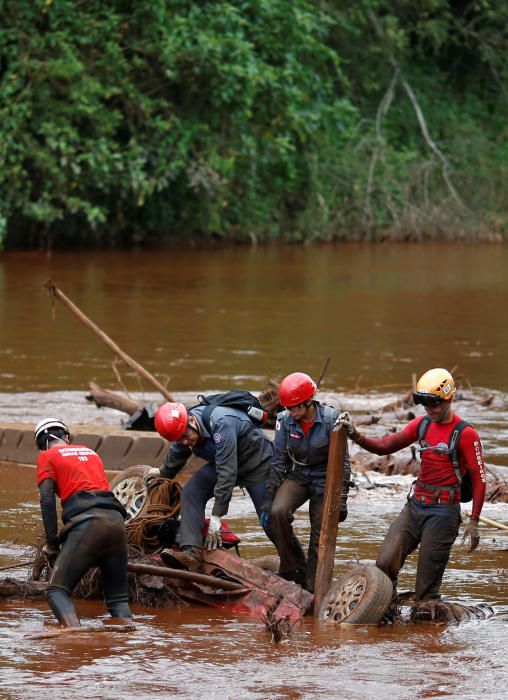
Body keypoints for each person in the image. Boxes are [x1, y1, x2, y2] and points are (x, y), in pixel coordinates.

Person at [338, 367, 487, 601]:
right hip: (415, 506)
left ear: (449, 398)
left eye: (434, 403)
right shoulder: (422, 425)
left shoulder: (466, 434)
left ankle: (426, 625)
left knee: (426, 586)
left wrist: (474, 521)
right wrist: (355, 434)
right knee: (385, 562)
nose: (430, 409)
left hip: (443, 513)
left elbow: (480, 478)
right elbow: (386, 446)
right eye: (423, 403)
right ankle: (387, 608)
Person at [152, 400, 274, 572]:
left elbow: (227, 473)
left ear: (192, 421)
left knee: (270, 521)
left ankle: (298, 569)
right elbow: (178, 452)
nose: (185, 442)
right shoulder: (183, 430)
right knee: (192, 491)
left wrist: (217, 515)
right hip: (225, 462)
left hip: (257, 464)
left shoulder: (221, 422)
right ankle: (191, 554)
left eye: (186, 436)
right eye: (179, 439)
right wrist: (161, 474)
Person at [34, 418, 133, 627]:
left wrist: (52, 544)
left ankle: (76, 637)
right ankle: (129, 642)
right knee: (118, 600)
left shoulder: (46, 457)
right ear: (66, 437)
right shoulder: (90, 452)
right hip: (116, 523)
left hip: (87, 525)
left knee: (56, 590)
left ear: (41, 445)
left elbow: (46, 498)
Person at [260, 372, 351, 593]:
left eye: (294, 408)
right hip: (298, 475)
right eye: (288, 408)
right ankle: (290, 569)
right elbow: (279, 461)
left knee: (320, 533)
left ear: (308, 402)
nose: (290, 413)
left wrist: (342, 500)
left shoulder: (331, 420)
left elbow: (343, 463)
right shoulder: (284, 421)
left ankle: (313, 586)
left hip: (324, 479)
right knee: (278, 512)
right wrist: (268, 498)